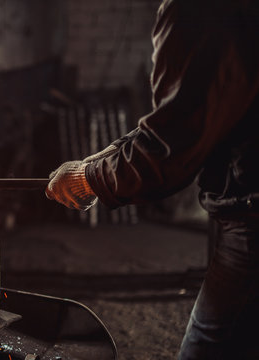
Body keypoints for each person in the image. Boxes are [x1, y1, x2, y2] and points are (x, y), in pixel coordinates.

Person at [45, 0, 259, 359]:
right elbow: (190, 121)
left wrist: (87, 179)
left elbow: (170, 149)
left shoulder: (198, 9)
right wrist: (99, 161)